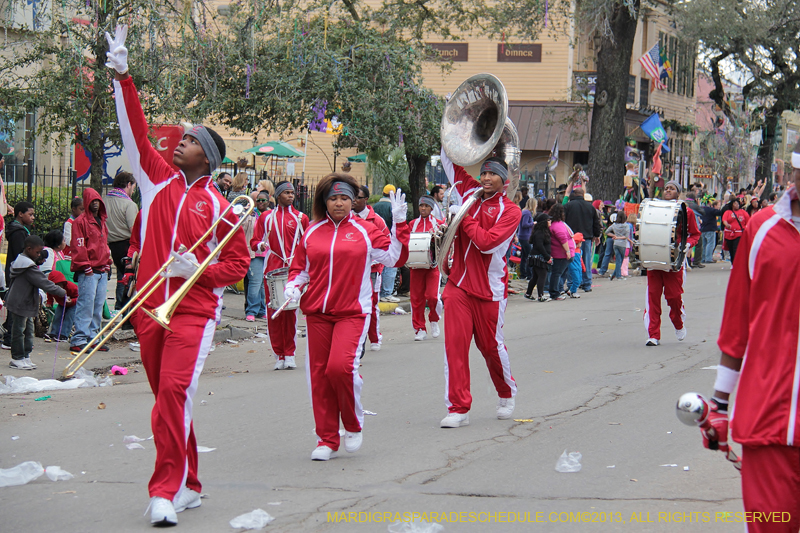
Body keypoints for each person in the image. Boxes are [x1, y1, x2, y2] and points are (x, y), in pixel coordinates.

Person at [108, 25, 250, 525]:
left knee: (172, 393)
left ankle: (164, 491)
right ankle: (190, 482)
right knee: (170, 397)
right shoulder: (156, 180)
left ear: (206, 158)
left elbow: (237, 266)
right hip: (151, 305)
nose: (179, 144)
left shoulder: (224, 207)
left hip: (193, 310)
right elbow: (135, 133)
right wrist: (123, 77)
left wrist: (203, 268)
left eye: (189, 141)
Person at [698, 148, 800, 532]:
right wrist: (719, 403)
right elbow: (738, 321)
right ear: (792, 168)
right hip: (767, 423)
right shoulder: (762, 229)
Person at [283, 174, 409, 461]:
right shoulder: (312, 231)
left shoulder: (365, 230)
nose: (338, 203)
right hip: (317, 313)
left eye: (344, 198)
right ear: (324, 202)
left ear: (353, 201)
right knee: (319, 376)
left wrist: (399, 224)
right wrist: (293, 286)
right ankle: (326, 438)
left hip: (353, 311)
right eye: (332, 198)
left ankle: (352, 423)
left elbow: (393, 258)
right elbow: (300, 268)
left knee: (340, 368)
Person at [438, 148, 520, 428]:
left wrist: (463, 217)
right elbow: (448, 159)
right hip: (458, 285)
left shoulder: (511, 211)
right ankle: (458, 407)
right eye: (483, 173)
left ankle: (506, 393)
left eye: (492, 175)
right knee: (455, 347)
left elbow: (487, 243)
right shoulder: (468, 192)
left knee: (490, 347)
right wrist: (452, 116)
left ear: (504, 181)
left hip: (489, 291)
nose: (485, 178)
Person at [250, 180, 309, 369]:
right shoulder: (266, 217)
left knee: (291, 312)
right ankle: (279, 355)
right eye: (287, 193)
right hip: (272, 269)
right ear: (278, 195)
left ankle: (290, 353)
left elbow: (308, 243)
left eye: (292, 193)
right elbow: (255, 241)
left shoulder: (301, 218)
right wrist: (260, 245)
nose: (291, 196)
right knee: (273, 312)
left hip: (293, 269)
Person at [643, 180, 701, 347]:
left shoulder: (686, 211)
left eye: (672, 188)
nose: (668, 190)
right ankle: (653, 335)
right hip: (654, 258)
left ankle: (678, 322)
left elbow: (695, 234)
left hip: (674, 260)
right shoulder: (653, 209)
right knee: (653, 297)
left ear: (678, 192)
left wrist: (687, 245)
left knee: (673, 296)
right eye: (666, 188)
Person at [6, 235, 67, 370]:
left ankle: (26, 356)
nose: (39, 255)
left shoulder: (22, 261)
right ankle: (17, 358)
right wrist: (62, 291)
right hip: (20, 302)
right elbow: (43, 282)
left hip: (25, 302)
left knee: (28, 330)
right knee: (19, 331)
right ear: (29, 249)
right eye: (37, 252)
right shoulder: (28, 267)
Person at [69, 187, 112, 353]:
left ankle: (93, 338)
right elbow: (79, 245)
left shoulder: (101, 221)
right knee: (86, 305)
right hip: (89, 270)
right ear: (87, 203)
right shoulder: (80, 222)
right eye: (92, 202)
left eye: (97, 201)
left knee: (97, 305)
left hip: (101, 269)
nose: (95, 204)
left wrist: (107, 261)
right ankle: (79, 339)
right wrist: (85, 265)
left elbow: (103, 243)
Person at [352, 185, 390, 351]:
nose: (353, 201)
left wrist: (374, 259)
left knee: (372, 304)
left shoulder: (377, 220)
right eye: (351, 197)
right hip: (352, 270)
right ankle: (356, 339)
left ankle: (374, 338)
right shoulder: (347, 219)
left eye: (357, 198)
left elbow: (386, 244)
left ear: (366, 199)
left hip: (373, 270)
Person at [1, 201, 35, 350]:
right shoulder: (18, 232)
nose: (33, 217)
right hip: (18, 275)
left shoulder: (21, 230)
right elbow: (20, 255)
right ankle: (9, 338)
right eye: (30, 214)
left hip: (17, 273)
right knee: (15, 307)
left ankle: (10, 335)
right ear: (20, 214)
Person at [408, 195, 443, 341]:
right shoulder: (412, 224)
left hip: (432, 266)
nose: (423, 208)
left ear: (431, 208)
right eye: (421, 206)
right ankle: (419, 329)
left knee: (432, 296)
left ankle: (434, 320)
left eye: (426, 206)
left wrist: (437, 237)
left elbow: (445, 243)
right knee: (416, 299)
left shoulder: (439, 224)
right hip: (415, 266)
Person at [104, 171, 139, 311]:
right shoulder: (129, 205)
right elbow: (134, 230)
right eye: (133, 187)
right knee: (130, 279)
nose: (133, 191)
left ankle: (119, 306)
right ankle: (127, 310)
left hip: (111, 245)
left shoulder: (104, 200)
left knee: (121, 276)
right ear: (129, 184)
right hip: (127, 244)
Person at [563, 188, 600, 292]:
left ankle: (571, 283)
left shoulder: (568, 206)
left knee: (572, 260)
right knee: (586, 260)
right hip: (586, 237)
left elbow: (563, 221)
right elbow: (595, 222)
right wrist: (596, 235)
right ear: (583, 195)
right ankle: (587, 283)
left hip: (572, 238)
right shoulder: (590, 207)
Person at [242, 191, 269, 322]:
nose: (260, 203)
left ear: (268, 202)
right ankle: (251, 310)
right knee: (255, 282)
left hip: (268, 253)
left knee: (263, 284)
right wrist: (245, 214)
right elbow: (241, 229)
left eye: (263, 200)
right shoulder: (249, 215)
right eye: (258, 200)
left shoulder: (270, 215)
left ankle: (261, 310)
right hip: (253, 253)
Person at [372, 184, 399, 302]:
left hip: (375, 239)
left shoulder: (374, 207)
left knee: (378, 267)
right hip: (389, 239)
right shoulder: (393, 207)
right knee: (390, 266)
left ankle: (379, 292)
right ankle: (386, 293)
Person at [547, 203, 574, 301]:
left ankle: (558, 290)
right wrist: (567, 251)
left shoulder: (555, 224)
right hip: (561, 253)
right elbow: (563, 239)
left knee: (559, 273)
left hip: (559, 252)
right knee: (557, 273)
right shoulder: (558, 226)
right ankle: (555, 292)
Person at [523, 213, 552, 302]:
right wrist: (547, 257)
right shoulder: (540, 233)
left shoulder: (543, 231)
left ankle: (528, 293)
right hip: (538, 257)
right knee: (542, 275)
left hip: (538, 256)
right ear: (544, 222)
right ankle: (540, 296)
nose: (550, 221)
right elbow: (540, 246)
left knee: (535, 277)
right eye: (548, 220)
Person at [45, 270, 78, 343]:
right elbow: (49, 294)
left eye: (60, 285)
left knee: (69, 317)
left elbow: (79, 297)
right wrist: (49, 302)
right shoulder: (52, 290)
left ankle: (64, 335)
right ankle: (54, 333)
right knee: (57, 316)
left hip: (72, 304)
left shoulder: (71, 287)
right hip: (61, 303)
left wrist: (72, 301)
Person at [605, 214, 633, 281]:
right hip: (622, 244)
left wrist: (614, 235)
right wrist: (619, 237)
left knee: (618, 260)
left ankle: (614, 275)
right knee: (620, 260)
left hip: (616, 243)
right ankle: (618, 276)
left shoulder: (614, 225)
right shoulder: (626, 226)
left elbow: (606, 232)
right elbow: (626, 236)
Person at [722, 198, 749, 265]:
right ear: (732, 205)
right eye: (735, 203)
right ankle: (733, 263)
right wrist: (727, 225)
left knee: (736, 249)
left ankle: (737, 263)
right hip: (729, 234)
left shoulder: (743, 212)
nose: (737, 205)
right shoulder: (727, 212)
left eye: (737, 203)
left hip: (739, 234)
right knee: (731, 249)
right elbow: (724, 220)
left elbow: (748, 221)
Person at [517, 198, 535, 280]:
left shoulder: (524, 211)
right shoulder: (527, 213)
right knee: (529, 255)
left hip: (522, 235)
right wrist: (533, 223)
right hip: (526, 236)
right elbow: (525, 224)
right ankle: (529, 274)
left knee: (524, 256)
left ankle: (523, 274)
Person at [700, 199, 722, 263]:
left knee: (704, 244)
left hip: (703, 228)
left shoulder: (701, 209)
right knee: (710, 244)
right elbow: (719, 213)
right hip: (710, 228)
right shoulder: (711, 210)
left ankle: (703, 258)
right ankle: (708, 258)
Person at [566, 232, 584, 298]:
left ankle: (572, 290)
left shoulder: (580, 251)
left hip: (578, 267)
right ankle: (573, 291)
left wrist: (583, 267)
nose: (581, 244)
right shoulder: (572, 250)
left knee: (579, 280)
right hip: (573, 267)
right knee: (576, 280)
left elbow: (581, 260)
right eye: (581, 242)